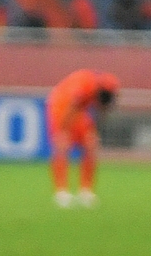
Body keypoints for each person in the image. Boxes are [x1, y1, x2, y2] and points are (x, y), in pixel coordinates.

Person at [46, 69, 118, 207]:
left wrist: (93, 131)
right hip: (61, 108)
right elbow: (72, 107)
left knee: (91, 144)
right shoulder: (83, 85)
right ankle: (61, 192)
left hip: (79, 111)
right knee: (62, 146)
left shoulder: (101, 92)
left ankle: (86, 191)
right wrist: (62, 130)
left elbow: (100, 110)